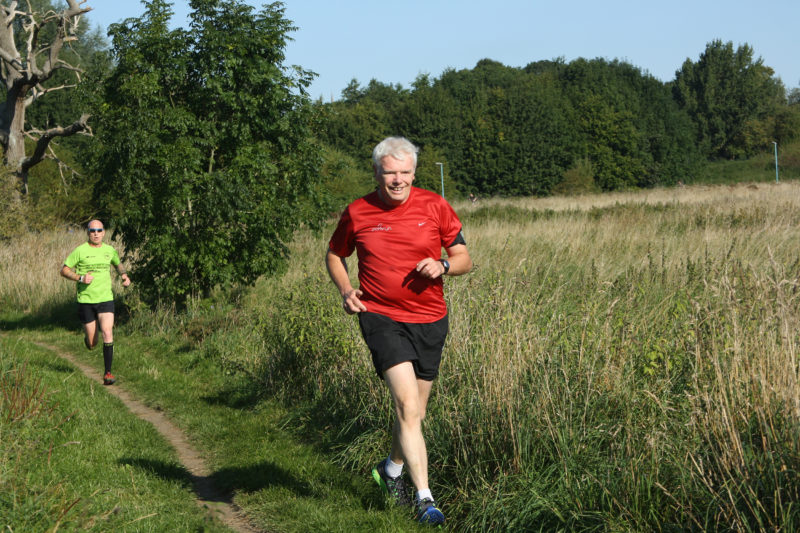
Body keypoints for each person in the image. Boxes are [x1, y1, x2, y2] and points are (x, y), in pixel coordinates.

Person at [325, 137, 472, 526]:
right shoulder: (357, 212)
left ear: (414, 173)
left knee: (416, 412)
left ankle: (390, 471)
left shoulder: (435, 206)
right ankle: (425, 499)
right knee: (407, 406)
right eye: (390, 172)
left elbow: (463, 258)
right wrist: (345, 290)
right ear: (376, 172)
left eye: (405, 172)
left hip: (430, 318)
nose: (397, 180)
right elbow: (336, 254)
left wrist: (443, 266)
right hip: (380, 316)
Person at [60, 220, 131, 385]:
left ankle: (108, 373)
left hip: (105, 298)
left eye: (99, 230)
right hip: (86, 300)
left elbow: (117, 263)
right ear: (88, 232)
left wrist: (124, 275)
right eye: (93, 230)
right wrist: (80, 278)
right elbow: (64, 270)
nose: (96, 233)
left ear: (104, 232)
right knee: (92, 343)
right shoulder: (80, 251)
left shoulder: (109, 250)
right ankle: (89, 339)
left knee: (107, 332)